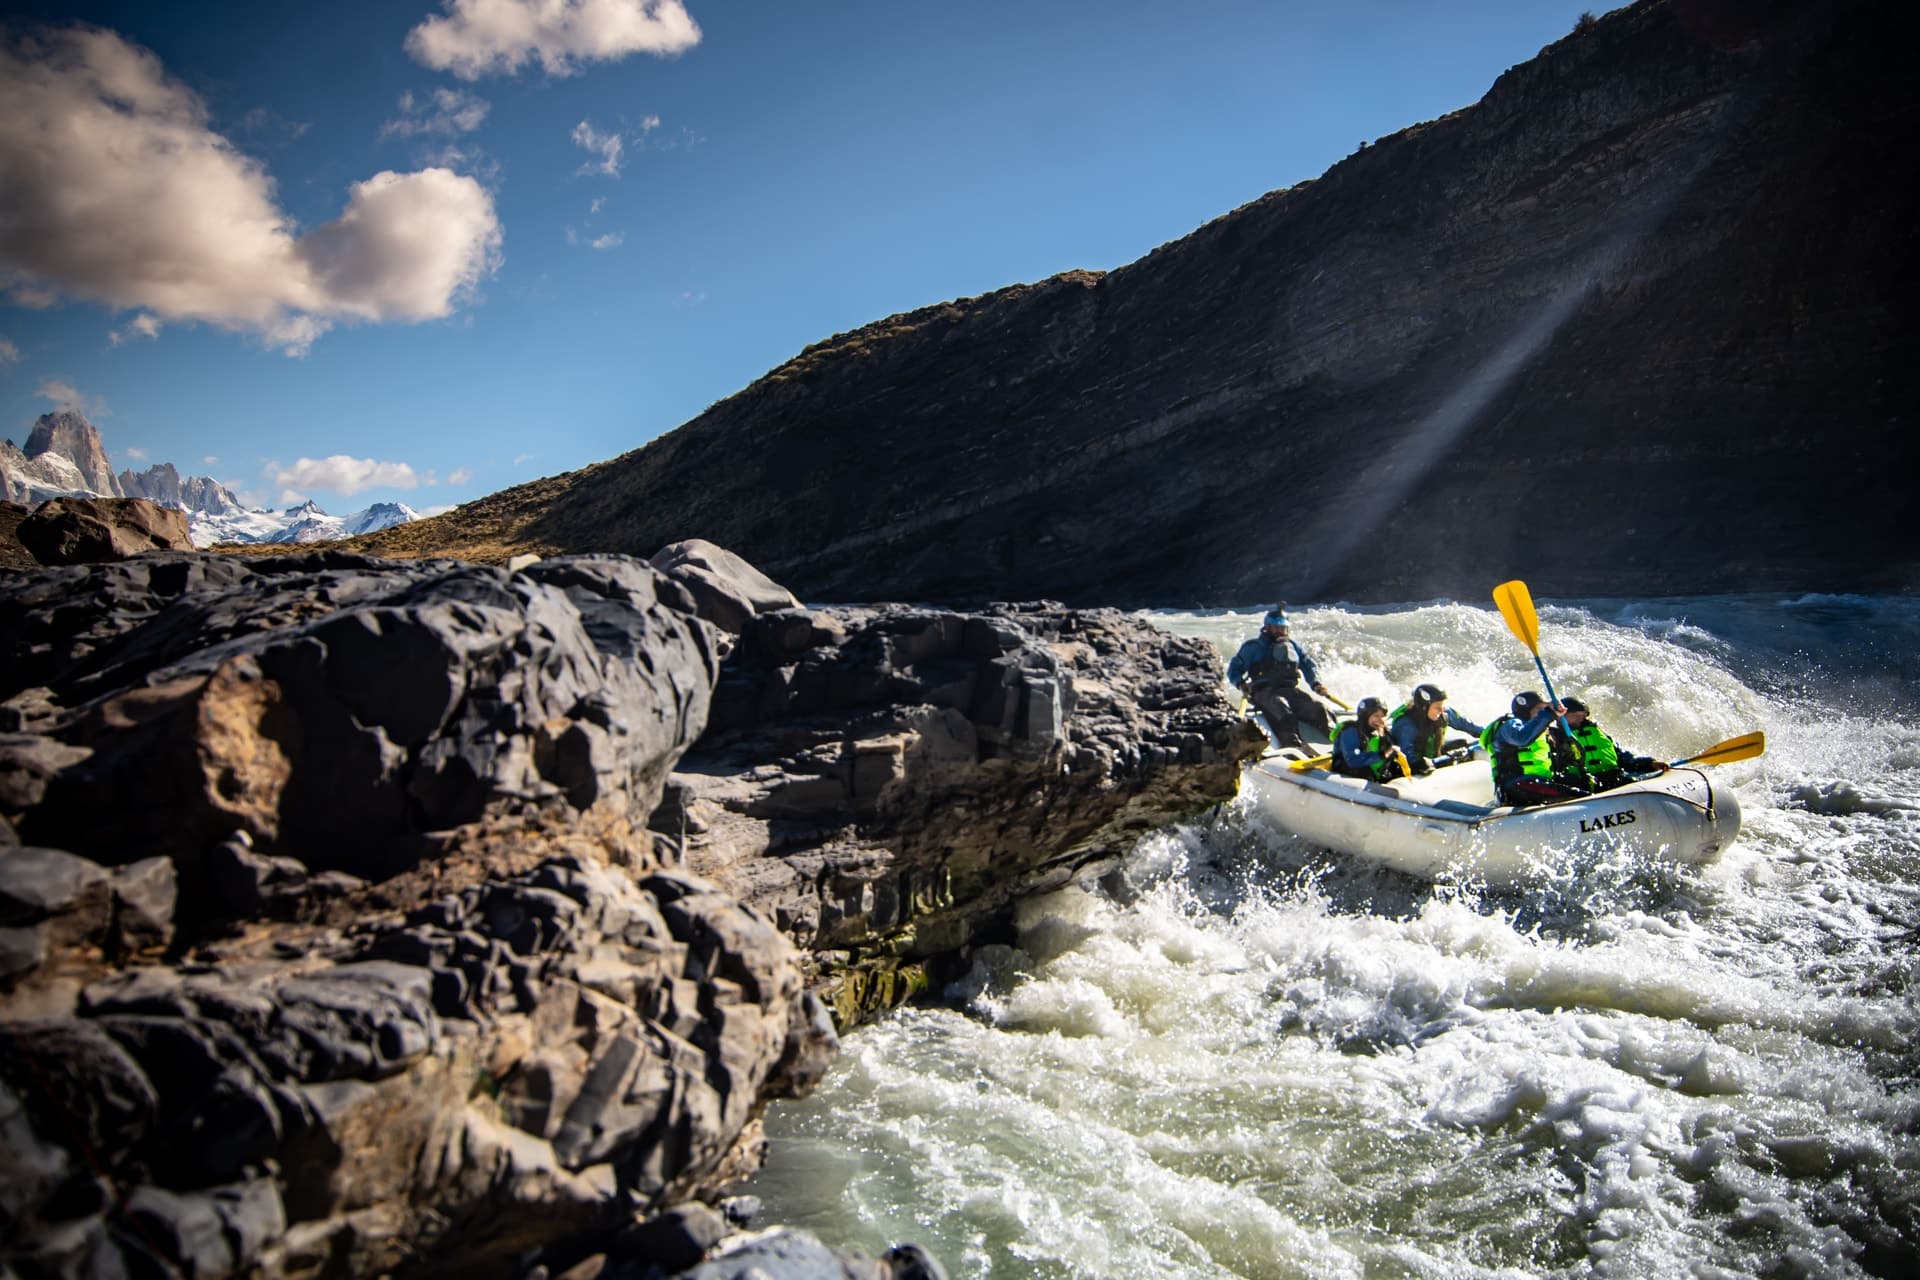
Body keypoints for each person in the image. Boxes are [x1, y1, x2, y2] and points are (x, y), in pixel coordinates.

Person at [1225, 606, 1333, 748]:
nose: (1279, 631)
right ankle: (1292, 747)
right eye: (1275, 627)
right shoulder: (1254, 647)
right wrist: (1241, 683)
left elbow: (1308, 666)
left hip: (1289, 690)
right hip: (1263, 692)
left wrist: (1316, 683)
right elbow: (1234, 669)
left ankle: (1336, 739)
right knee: (1282, 711)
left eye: (1282, 627)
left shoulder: (1293, 646)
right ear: (1267, 628)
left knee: (1319, 709)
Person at [1479, 691, 1590, 806]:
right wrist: (1548, 713)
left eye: (1544, 709)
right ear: (1525, 711)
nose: (1542, 713)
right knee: (1579, 797)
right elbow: (1521, 738)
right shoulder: (1509, 725)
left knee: (1581, 785)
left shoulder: (1542, 733)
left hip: (1536, 784)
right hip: (1517, 786)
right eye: (1539, 709)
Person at [1561, 696, 1668, 791]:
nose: (1581, 719)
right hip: (1583, 785)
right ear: (1563, 716)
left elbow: (1624, 759)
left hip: (1614, 777)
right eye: (1576, 715)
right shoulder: (1557, 739)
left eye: (1583, 715)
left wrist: (1649, 763)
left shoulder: (1597, 732)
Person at [1388, 683, 1484, 775]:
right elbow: (1406, 755)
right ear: (1424, 707)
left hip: (1433, 758)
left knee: (1463, 743)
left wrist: (1490, 733)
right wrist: (1422, 764)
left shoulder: (1444, 713)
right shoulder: (1406, 725)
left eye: (1442, 706)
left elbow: (1470, 726)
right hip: (1409, 768)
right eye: (1437, 707)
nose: (1442, 710)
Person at [1332, 696, 1410, 781]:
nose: (1380, 720)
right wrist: (1383, 754)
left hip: (1374, 768)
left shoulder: (1381, 730)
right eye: (1376, 716)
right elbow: (1352, 760)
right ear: (1365, 716)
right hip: (1348, 769)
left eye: (1382, 716)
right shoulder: (1350, 731)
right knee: (1366, 773)